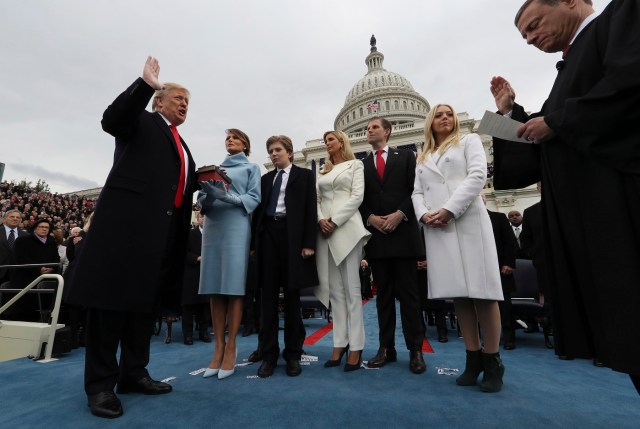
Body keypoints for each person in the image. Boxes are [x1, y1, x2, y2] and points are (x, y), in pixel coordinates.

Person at [490, 0, 640, 393]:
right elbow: (546, 145)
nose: (529, 39)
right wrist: (511, 115)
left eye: (534, 25)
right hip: (594, 222)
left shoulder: (623, 16)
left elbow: (629, 87)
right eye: (523, 34)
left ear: (573, 2)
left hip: (623, 206)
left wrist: (556, 122)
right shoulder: (569, 66)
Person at [65, 57, 197, 418]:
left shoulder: (183, 145)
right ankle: (101, 387)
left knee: (143, 309)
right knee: (109, 309)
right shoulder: (141, 120)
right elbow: (112, 120)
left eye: (189, 101)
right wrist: (144, 84)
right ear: (159, 101)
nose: (184, 104)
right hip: (124, 233)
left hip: (161, 238)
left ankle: (134, 373)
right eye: (178, 98)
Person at [412, 104, 504, 392]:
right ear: (430, 122)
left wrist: (449, 209)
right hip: (438, 227)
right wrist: (423, 214)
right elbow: (416, 192)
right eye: (438, 114)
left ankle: (492, 361)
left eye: (448, 114)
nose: (444, 118)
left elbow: (477, 176)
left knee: (483, 292)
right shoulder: (424, 156)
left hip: (467, 221)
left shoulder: (469, 141)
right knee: (460, 296)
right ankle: (472, 357)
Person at [359, 117, 426, 375]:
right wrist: (370, 218)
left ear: (387, 131)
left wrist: (401, 213)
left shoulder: (407, 157)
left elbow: (416, 190)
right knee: (383, 297)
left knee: (410, 297)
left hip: (404, 234)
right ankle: (386, 348)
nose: (369, 130)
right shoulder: (361, 164)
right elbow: (359, 198)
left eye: (374, 127)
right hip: (377, 237)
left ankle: (415, 350)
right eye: (367, 128)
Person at [251, 135, 318, 378]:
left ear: (289, 152)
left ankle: (292, 354)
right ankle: (268, 355)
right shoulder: (266, 179)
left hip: (292, 238)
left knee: (292, 298)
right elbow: (258, 212)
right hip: (268, 236)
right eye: (270, 151)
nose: (273, 154)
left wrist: (309, 243)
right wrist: (253, 244)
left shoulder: (305, 176)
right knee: (267, 299)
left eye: (277, 149)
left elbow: (311, 210)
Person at [198, 128, 261, 379]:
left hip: (237, 225)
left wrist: (229, 197)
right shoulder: (211, 170)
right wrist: (209, 197)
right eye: (227, 138)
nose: (230, 140)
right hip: (213, 226)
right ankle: (218, 348)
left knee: (233, 287)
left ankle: (231, 347)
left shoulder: (252, 168)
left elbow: (254, 198)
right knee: (214, 286)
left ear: (245, 144)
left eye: (235, 138)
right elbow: (203, 202)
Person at [315, 130, 371, 371]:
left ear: (341, 143)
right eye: (325, 140)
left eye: (331, 140)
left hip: (347, 228)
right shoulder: (322, 171)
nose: (327, 144)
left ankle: (356, 346)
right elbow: (316, 200)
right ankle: (339, 343)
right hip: (324, 232)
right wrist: (320, 220)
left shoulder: (355, 165)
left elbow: (357, 196)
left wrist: (335, 220)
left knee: (352, 290)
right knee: (335, 292)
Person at [11, 218, 60, 322]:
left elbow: (56, 259)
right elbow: (20, 258)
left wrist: (52, 268)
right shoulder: (23, 240)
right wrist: (38, 269)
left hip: (46, 277)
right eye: (41, 227)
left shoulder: (51, 242)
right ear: (35, 228)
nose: (44, 229)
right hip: (26, 278)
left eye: (46, 227)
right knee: (26, 308)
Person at [485, 199, 519, 350]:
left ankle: (509, 337)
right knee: (484, 306)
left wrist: (509, 263)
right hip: (480, 271)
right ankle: (490, 337)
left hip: (501, 269)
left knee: (504, 306)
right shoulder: (467, 222)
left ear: (484, 202)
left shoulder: (499, 218)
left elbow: (510, 242)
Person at [180, 213, 210, 346]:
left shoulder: (214, 234)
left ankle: (203, 333)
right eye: (202, 217)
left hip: (208, 275)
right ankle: (188, 335)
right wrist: (196, 258)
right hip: (192, 274)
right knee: (188, 307)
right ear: (198, 219)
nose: (204, 219)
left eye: (207, 217)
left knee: (205, 306)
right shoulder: (190, 233)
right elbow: (182, 252)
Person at [1, 209, 28, 286]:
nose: (15, 219)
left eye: (18, 217)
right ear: (5, 218)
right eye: (12, 216)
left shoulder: (26, 236)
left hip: (19, 273)